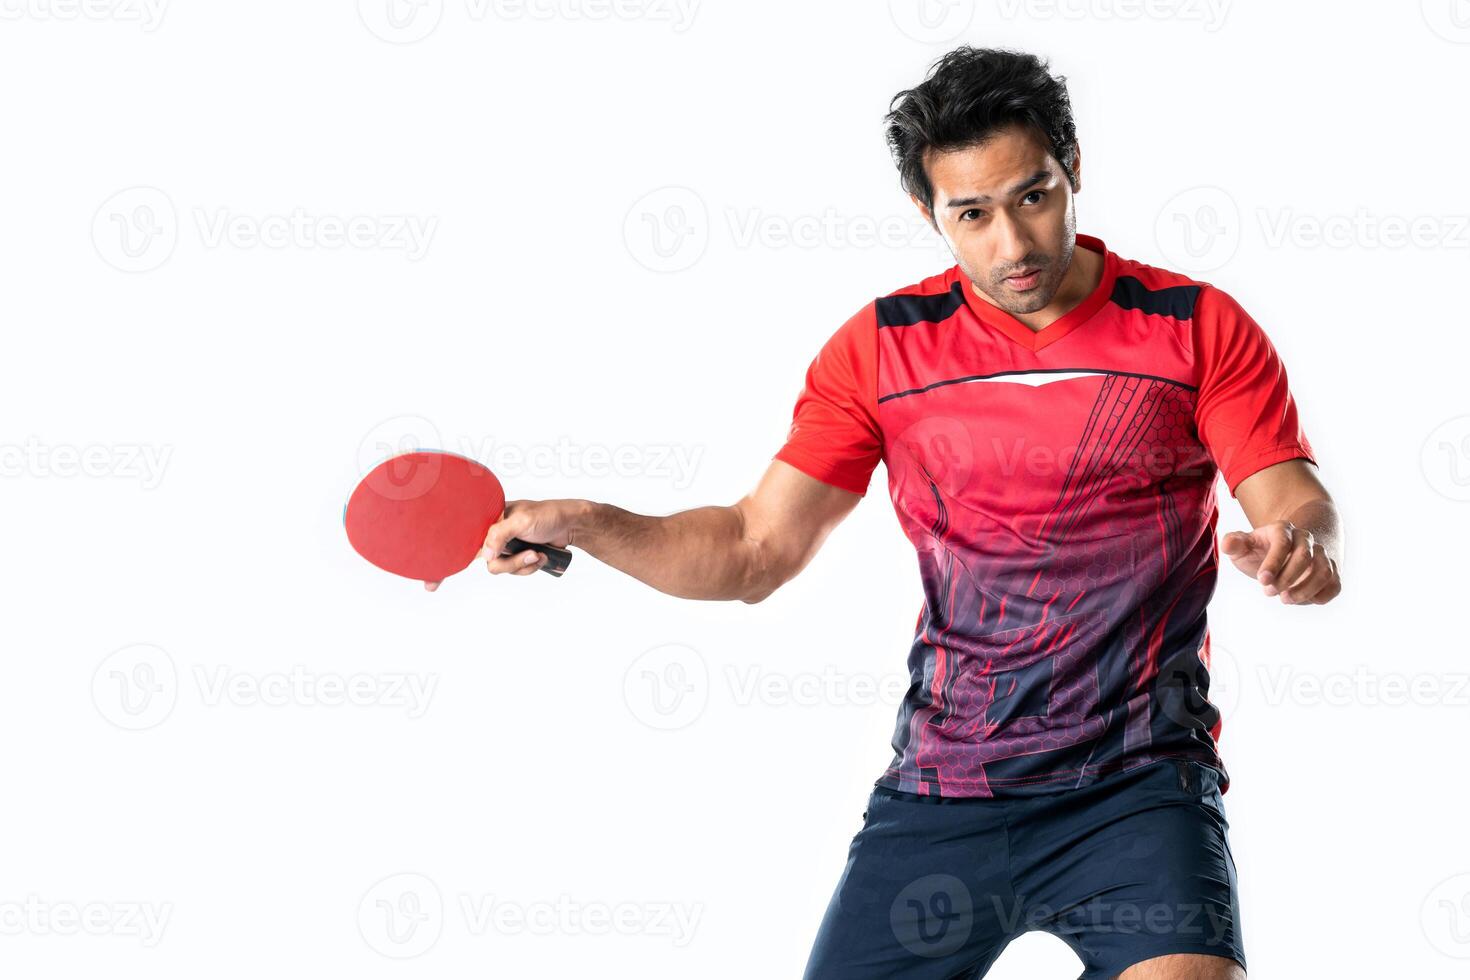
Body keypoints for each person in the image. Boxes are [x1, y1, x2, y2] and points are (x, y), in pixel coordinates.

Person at [446, 46, 1343, 980]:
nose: (1012, 245)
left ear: (1073, 168)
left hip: (1139, 789)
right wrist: (585, 520)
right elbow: (755, 550)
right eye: (972, 214)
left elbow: (1292, 498)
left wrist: (1302, 546)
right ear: (929, 212)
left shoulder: (1195, 325)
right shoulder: (883, 350)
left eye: (1033, 196)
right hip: (947, 791)